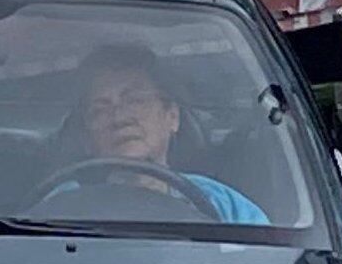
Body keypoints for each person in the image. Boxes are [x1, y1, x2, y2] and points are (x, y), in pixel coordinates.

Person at [71, 47, 268, 224]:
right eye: (99, 109)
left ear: (172, 117)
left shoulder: (225, 207)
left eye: (136, 100)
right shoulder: (60, 205)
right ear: (87, 139)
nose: (120, 117)